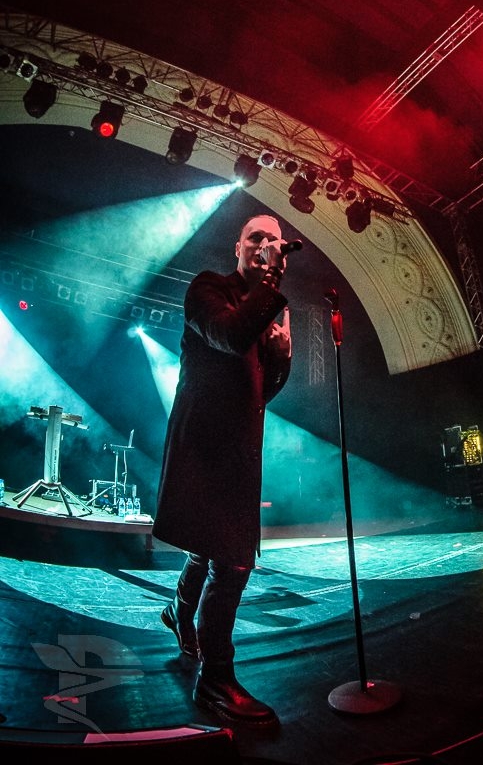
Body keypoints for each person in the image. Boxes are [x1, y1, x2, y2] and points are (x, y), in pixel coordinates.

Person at [152, 213, 293, 728]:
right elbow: (229, 337)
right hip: (203, 444)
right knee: (231, 561)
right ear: (238, 248)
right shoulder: (208, 288)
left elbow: (261, 391)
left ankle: (177, 611)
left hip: (238, 446)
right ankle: (215, 679)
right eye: (256, 237)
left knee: (212, 548)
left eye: (274, 240)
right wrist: (270, 283)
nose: (266, 245)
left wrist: (281, 357)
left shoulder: (270, 311)